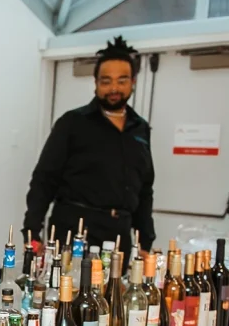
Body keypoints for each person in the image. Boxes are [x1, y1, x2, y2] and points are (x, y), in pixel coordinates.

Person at [21, 35, 156, 256]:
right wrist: (32, 233)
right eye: (106, 81)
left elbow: (144, 190)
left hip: (120, 235)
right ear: (96, 83)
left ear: (133, 82)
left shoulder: (140, 129)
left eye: (122, 81)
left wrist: (145, 241)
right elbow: (44, 180)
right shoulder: (72, 123)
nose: (114, 88)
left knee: (117, 281)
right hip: (74, 231)